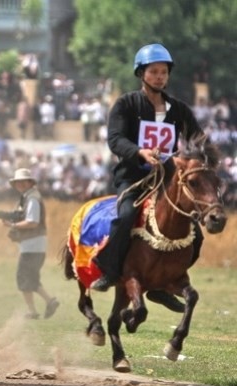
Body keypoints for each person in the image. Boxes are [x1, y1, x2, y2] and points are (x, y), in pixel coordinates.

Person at [90, 44, 205, 309]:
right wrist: (140, 152)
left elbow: (197, 140)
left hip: (168, 183)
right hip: (133, 178)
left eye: (164, 72)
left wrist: (187, 157)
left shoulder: (179, 110)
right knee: (127, 214)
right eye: (154, 72)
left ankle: (168, 282)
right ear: (141, 73)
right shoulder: (125, 104)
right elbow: (115, 140)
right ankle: (109, 270)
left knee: (195, 233)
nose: (160, 77)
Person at [6, 168, 59, 319]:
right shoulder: (29, 197)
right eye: (18, 182)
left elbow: (32, 222)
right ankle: (49, 302)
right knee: (30, 278)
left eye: (23, 181)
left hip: (32, 245)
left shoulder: (32, 199)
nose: (20, 184)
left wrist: (13, 226)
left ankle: (33, 310)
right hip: (33, 245)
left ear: (30, 182)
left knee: (23, 277)